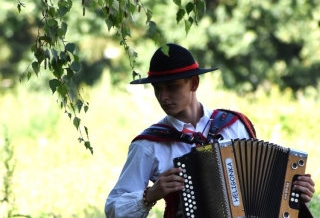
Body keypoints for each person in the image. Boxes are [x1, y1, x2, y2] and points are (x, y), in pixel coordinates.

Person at [105, 43, 316, 218]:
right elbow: (113, 209)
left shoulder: (234, 124)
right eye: (157, 89)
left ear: (193, 83)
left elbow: (264, 191)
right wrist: (150, 195)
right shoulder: (149, 144)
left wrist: (295, 190)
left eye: (171, 86)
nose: (163, 97)